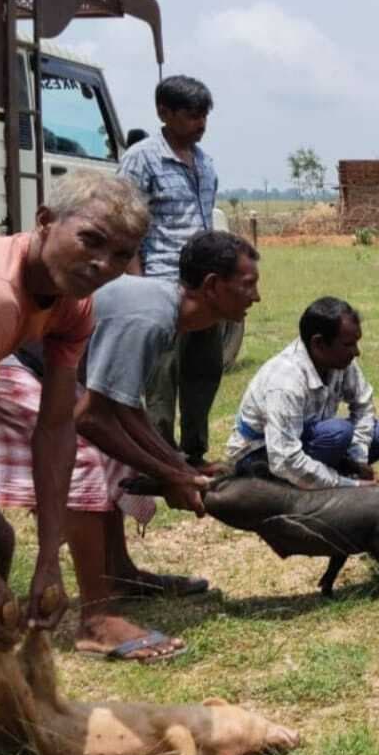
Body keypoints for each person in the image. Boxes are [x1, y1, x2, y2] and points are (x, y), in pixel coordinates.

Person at [0, 171, 147, 755]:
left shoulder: (72, 303)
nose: (103, 264)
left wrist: (49, 559)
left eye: (121, 254)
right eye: (91, 241)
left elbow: (56, 427)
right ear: (46, 220)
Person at [0, 231, 261, 666]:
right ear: (212, 286)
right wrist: (173, 476)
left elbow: (123, 405)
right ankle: (96, 622)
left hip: (48, 364)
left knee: (111, 457)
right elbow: (91, 417)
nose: (256, 297)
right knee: (84, 462)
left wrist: (176, 464)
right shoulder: (150, 319)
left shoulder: (166, 312)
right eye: (247, 284)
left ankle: (119, 574)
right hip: (10, 360)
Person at [118, 74, 225, 468]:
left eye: (204, 115)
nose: (200, 123)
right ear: (165, 112)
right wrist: (137, 285)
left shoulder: (205, 163)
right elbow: (126, 224)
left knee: (203, 371)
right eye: (192, 115)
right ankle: (159, 458)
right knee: (161, 376)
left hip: (206, 287)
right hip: (161, 285)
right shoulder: (142, 158)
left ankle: (194, 453)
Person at [226, 297, 379, 487]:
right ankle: (315, 487)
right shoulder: (285, 380)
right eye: (348, 344)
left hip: (305, 441)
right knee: (337, 434)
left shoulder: (340, 361)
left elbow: (363, 405)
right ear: (319, 344)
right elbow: (283, 459)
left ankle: (324, 478)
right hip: (261, 456)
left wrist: (358, 460)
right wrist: (348, 484)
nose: (356, 352)